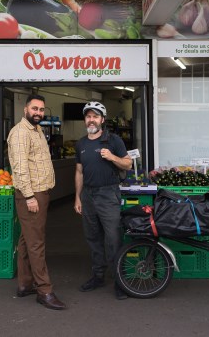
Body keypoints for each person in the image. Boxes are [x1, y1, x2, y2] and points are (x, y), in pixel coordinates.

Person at [7, 94, 66, 310]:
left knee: (26, 239)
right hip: (31, 195)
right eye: (34, 109)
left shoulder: (37, 130)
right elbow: (20, 169)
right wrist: (30, 197)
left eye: (41, 109)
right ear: (25, 109)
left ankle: (24, 284)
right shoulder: (21, 133)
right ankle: (45, 291)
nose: (38, 113)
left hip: (40, 192)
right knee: (36, 243)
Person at [74, 101, 132, 300]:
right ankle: (98, 276)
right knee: (93, 237)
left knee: (113, 237)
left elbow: (128, 163)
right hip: (88, 195)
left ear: (102, 120)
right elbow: (79, 172)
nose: (91, 119)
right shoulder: (81, 143)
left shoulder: (113, 140)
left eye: (95, 116)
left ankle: (119, 281)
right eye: (88, 116)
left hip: (108, 194)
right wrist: (77, 197)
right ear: (85, 120)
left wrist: (112, 157)